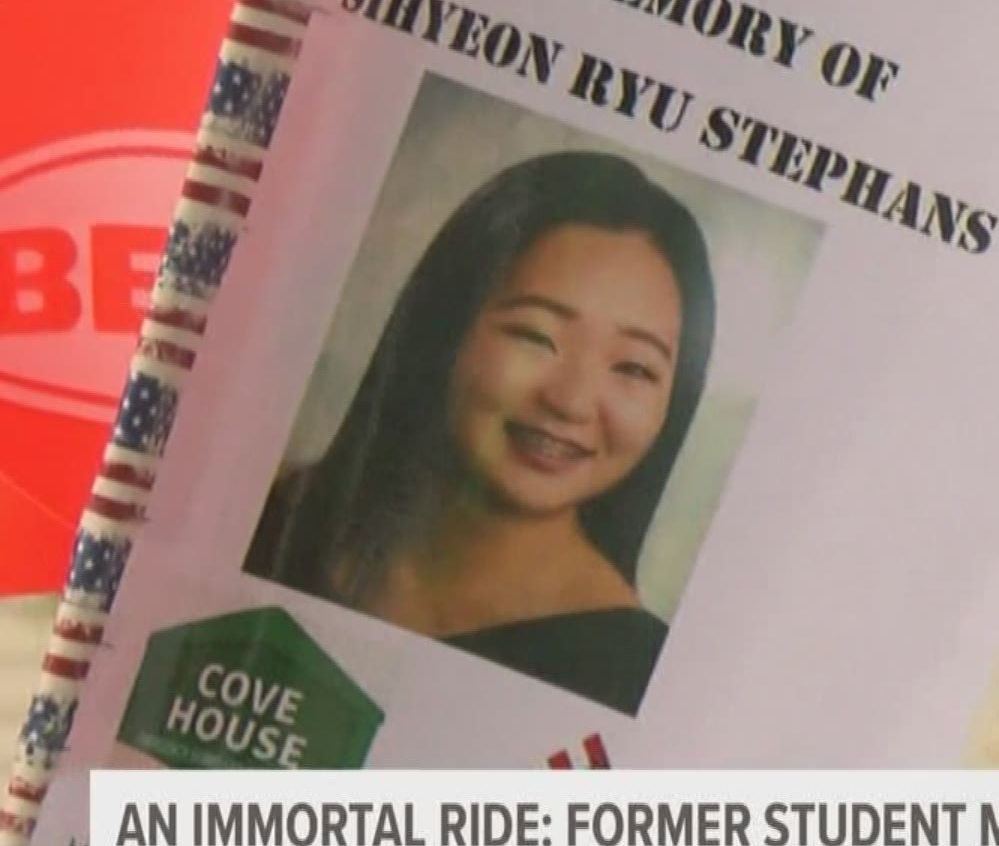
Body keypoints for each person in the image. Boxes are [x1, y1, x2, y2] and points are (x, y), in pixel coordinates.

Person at [245, 149, 716, 715]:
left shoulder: (641, 679)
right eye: (536, 337)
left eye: (634, 368)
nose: (569, 402)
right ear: (443, 327)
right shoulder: (267, 522)